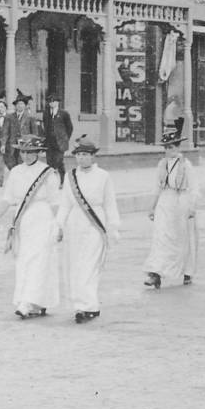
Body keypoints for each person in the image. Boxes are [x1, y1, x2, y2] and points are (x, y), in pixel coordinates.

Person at [0, 134, 61, 319]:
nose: (26, 156)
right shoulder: (15, 172)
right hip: (22, 220)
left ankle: (28, 302)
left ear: (38, 152)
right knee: (23, 261)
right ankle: (34, 301)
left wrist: (58, 225)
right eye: (23, 152)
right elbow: (7, 197)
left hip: (42, 217)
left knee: (39, 260)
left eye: (30, 152)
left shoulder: (48, 173)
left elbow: (55, 202)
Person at [55, 136, 120, 323]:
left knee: (89, 265)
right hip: (75, 224)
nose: (81, 158)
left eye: (85, 154)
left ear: (93, 156)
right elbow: (65, 204)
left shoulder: (103, 176)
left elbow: (110, 204)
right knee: (75, 265)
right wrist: (59, 225)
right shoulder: (70, 176)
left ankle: (88, 306)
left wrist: (113, 227)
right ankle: (81, 305)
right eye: (78, 154)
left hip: (95, 225)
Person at [143, 129, 198, 289]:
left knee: (181, 237)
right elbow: (157, 187)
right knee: (161, 237)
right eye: (166, 147)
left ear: (178, 147)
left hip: (181, 199)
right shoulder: (162, 164)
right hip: (165, 200)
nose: (169, 150)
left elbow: (194, 187)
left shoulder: (185, 165)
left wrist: (192, 206)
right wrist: (152, 207)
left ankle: (187, 271)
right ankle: (156, 273)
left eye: (172, 147)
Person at [41, 96, 72, 173]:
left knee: (58, 162)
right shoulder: (46, 113)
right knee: (49, 162)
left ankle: (62, 178)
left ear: (58, 102)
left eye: (54, 101)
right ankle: (51, 178)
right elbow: (45, 126)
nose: (52, 103)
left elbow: (70, 128)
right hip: (49, 142)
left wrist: (65, 138)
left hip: (60, 142)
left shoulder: (64, 113)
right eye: (50, 101)